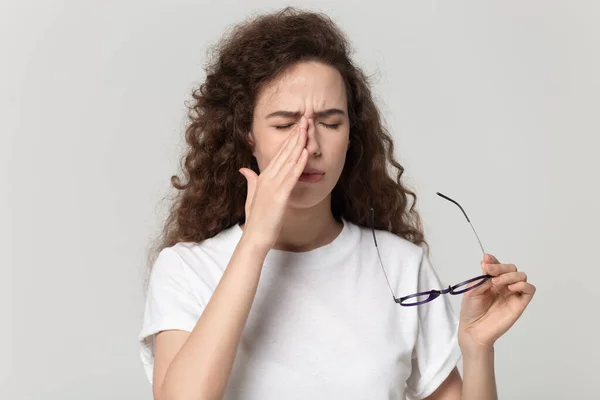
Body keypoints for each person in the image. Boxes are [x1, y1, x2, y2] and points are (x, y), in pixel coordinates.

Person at [138, 7, 535, 400]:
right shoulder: (187, 269)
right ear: (247, 136)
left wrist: (477, 350)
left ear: (351, 135)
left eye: (330, 123)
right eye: (283, 124)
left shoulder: (400, 267)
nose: (309, 146)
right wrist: (255, 241)